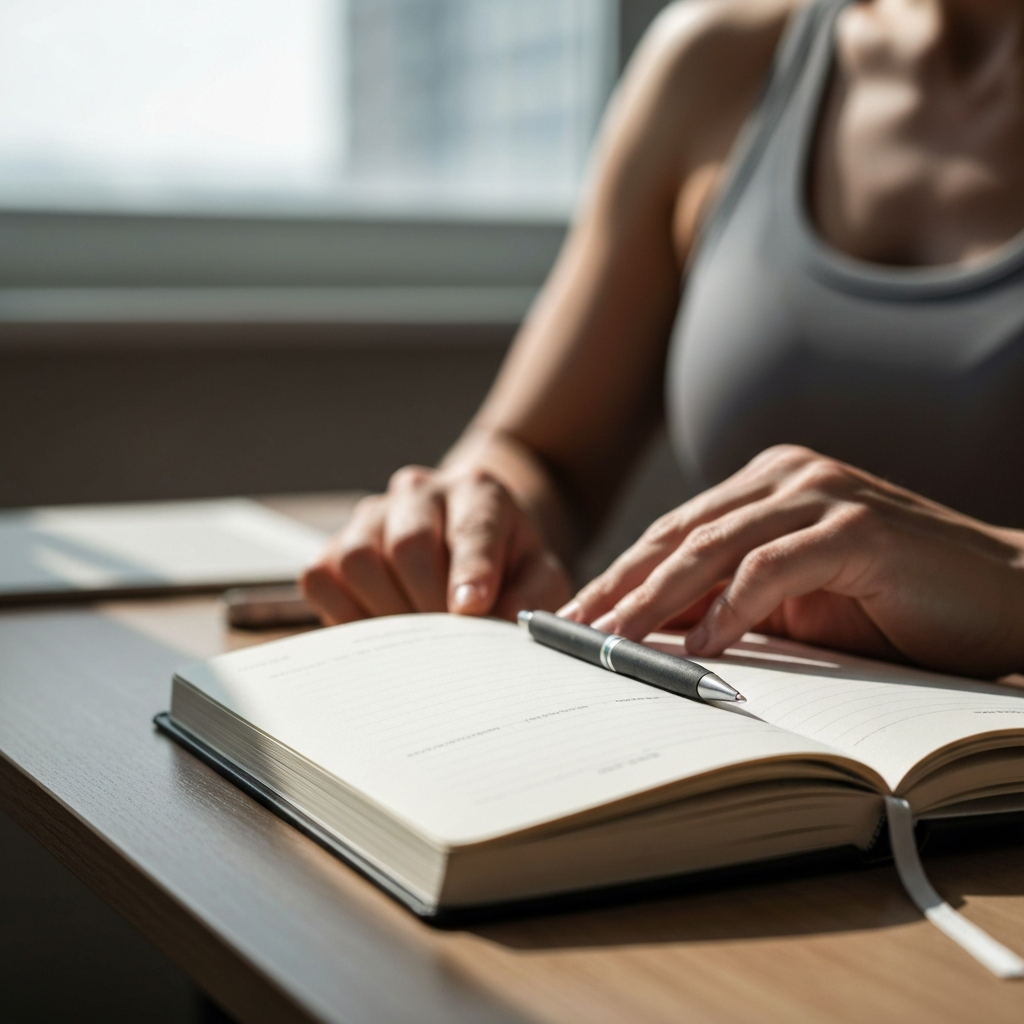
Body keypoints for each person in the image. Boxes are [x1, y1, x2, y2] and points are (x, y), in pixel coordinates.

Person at [303, 0, 1024, 679]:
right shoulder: (720, 62)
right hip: (763, 766)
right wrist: (470, 517)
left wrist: (1006, 579)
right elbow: (539, 454)